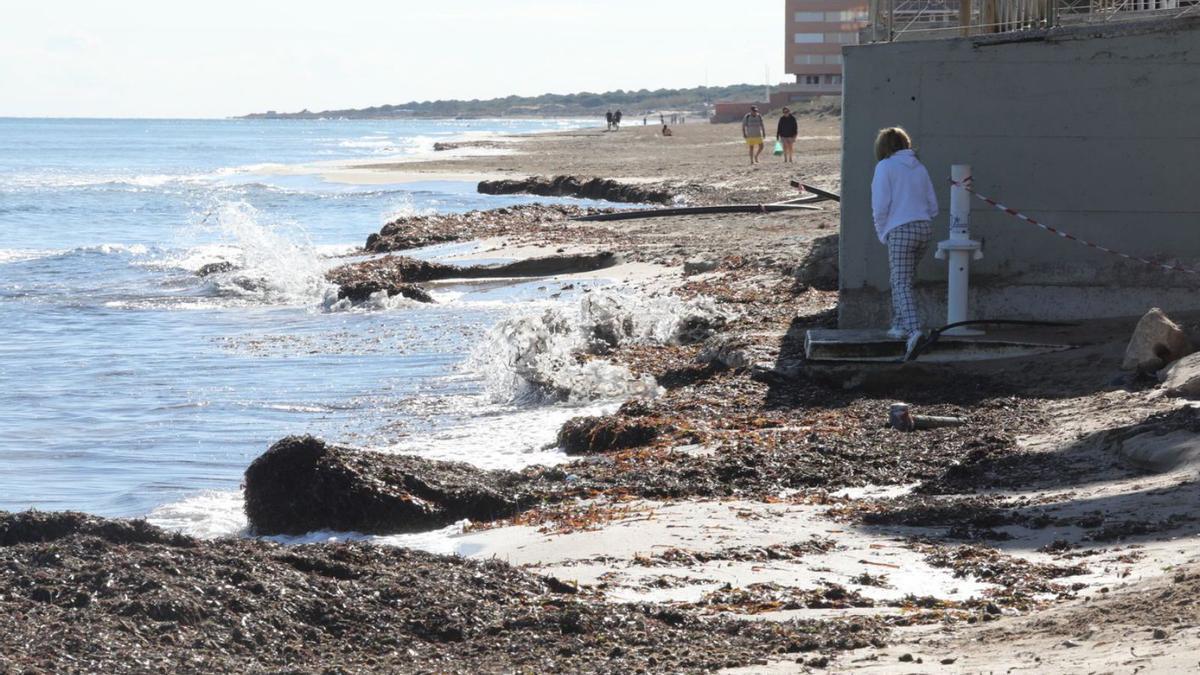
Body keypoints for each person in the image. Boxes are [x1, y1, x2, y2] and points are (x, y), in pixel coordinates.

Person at [871, 127, 939, 355]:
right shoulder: (919, 167)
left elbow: (880, 206)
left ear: (883, 146)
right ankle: (899, 326)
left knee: (900, 283)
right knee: (904, 279)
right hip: (924, 228)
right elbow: (933, 205)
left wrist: (882, 232)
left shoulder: (885, 167)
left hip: (900, 230)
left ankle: (913, 331)